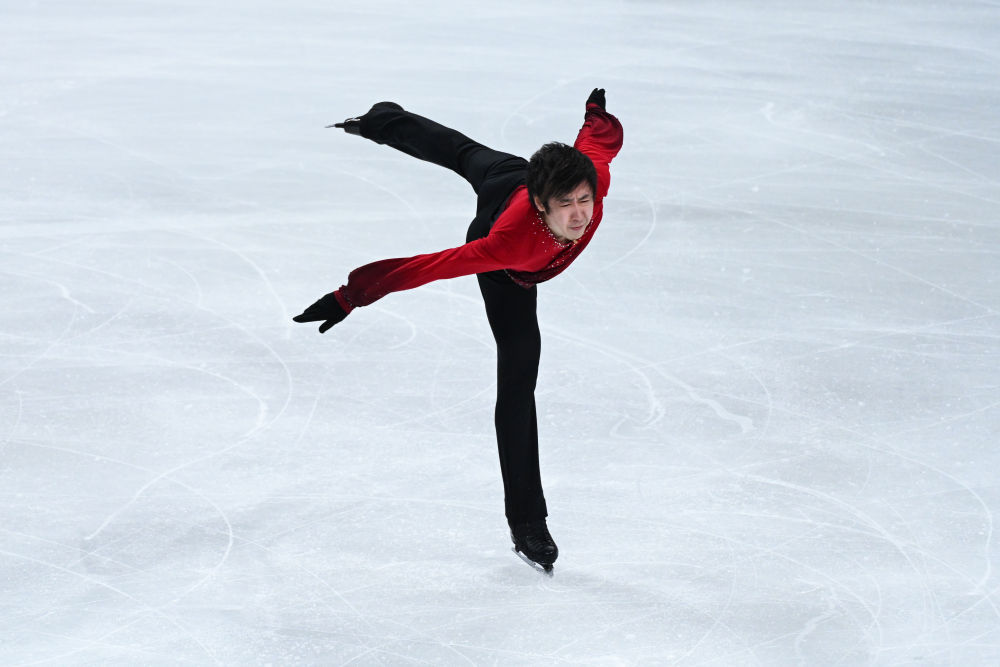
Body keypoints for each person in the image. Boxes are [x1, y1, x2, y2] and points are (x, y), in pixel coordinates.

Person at [294, 88, 623, 573]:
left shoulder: (591, 181)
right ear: (541, 203)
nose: (579, 214)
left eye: (584, 200)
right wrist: (351, 295)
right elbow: (427, 267)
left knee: (463, 151)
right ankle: (528, 522)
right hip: (507, 259)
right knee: (517, 383)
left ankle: (384, 117)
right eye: (566, 204)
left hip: (514, 177)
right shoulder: (507, 244)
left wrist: (596, 114)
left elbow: (598, 143)